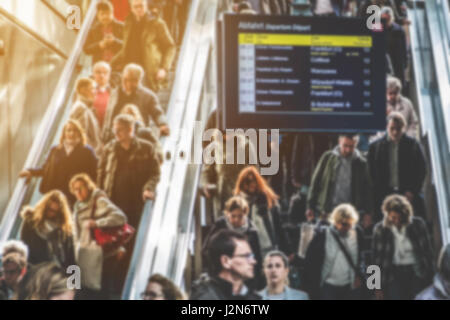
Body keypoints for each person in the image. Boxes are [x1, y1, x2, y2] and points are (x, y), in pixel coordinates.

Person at [98, 114, 161, 228]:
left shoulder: (146, 148)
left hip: (137, 204)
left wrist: (149, 188)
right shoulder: (109, 149)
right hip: (114, 203)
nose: (116, 133)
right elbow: (100, 175)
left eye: (120, 130)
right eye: (115, 129)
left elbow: (155, 173)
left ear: (130, 130)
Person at [70, 173, 127, 299]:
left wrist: (96, 223)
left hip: (103, 254)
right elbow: (76, 234)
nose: (78, 192)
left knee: (101, 292)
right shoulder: (77, 207)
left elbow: (120, 217)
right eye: (75, 189)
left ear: (88, 187)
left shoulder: (99, 200)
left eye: (81, 188)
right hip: (85, 255)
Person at [19, 119, 97, 205]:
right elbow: (46, 169)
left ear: (79, 133)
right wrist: (30, 171)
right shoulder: (55, 149)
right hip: (54, 195)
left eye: (75, 130)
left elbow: (93, 174)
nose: (72, 133)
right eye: (69, 130)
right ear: (64, 133)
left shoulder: (87, 152)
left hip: (73, 196)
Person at [372, 194, 434, 300]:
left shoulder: (418, 225)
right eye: (393, 217)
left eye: (400, 217)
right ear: (387, 215)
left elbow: (428, 253)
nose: (396, 221)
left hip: (417, 272)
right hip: (392, 274)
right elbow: (375, 260)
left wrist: (432, 278)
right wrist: (375, 287)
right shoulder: (380, 229)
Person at [368, 112, 427, 222]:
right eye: (392, 128)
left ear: (403, 128)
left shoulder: (413, 145)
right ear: (387, 127)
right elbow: (371, 173)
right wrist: (378, 191)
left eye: (398, 129)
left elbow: (421, 170)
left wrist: (412, 191)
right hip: (383, 194)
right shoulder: (375, 147)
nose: (395, 132)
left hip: (407, 193)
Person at [303, 204, 366, 300]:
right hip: (329, 285)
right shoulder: (323, 236)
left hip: (350, 285)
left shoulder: (357, 234)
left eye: (350, 224)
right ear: (335, 221)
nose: (347, 227)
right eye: (344, 224)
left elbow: (362, 257)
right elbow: (311, 261)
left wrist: (360, 275)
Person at [111, 0, 176, 92]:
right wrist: (110, 64)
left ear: (146, 6)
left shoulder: (157, 23)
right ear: (131, 8)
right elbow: (126, 48)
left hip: (148, 72)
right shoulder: (128, 22)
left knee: (145, 101)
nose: (139, 9)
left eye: (141, 6)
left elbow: (170, 47)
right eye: (135, 7)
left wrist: (164, 68)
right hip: (129, 70)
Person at [306, 134, 373, 223]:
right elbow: (315, 182)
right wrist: (310, 206)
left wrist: (368, 213)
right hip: (327, 210)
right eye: (345, 146)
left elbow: (367, 189)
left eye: (351, 146)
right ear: (339, 142)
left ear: (356, 144)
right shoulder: (327, 157)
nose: (348, 150)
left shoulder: (361, 163)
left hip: (350, 212)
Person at [202, 196, 263, 287]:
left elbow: (256, 257)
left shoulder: (251, 231)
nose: (236, 220)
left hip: (243, 278)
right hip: (222, 275)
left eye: (240, 216)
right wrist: (216, 270)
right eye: (233, 216)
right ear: (227, 214)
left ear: (245, 214)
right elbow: (206, 249)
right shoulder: (220, 226)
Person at [102, 64, 170, 143]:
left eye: (133, 80)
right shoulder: (115, 93)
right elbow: (108, 116)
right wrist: (104, 135)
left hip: (137, 138)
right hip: (114, 137)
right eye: (126, 80)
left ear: (140, 80)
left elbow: (157, 113)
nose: (128, 84)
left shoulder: (147, 96)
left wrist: (163, 124)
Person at [201, 131, 258, 221]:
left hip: (240, 194)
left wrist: (249, 190)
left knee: (241, 225)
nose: (227, 137)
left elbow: (253, 171)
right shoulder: (213, 147)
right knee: (222, 225)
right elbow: (207, 171)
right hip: (221, 194)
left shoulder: (246, 145)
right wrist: (206, 184)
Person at [234, 166, 289, 258]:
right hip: (248, 248)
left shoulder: (267, 199)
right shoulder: (237, 203)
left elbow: (278, 226)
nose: (251, 184)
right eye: (247, 181)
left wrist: (287, 249)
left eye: (254, 181)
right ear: (242, 184)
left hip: (268, 245)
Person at [190, 229, 261, 300]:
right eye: (246, 256)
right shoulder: (205, 297)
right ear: (226, 261)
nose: (253, 261)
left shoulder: (254, 297)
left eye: (252, 256)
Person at [19, 190, 76, 269]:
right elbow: (23, 246)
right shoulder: (30, 220)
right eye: (49, 209)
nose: (51, 213)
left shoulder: (63, 229)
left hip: (55, 271)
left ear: (60, 212)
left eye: (54, 211)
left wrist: (74, 280)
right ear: (44, 207)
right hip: (33, 268)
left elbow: (70, 258)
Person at [70, 77, 103, 154]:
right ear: (83, 90)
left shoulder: (85, 107)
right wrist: (92, 152)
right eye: (92, 89)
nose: (95, 92)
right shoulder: (81, 108)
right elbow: (81, 135)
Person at [381, 6, 407, 87]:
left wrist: (405, 61)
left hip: (397, 61)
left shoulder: (398, 30)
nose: (386, 21)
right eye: (384, 19)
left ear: (391, 18)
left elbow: (404, 47)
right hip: (383, 62)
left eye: (388, 19)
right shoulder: (377, 28)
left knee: (397, 84)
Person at [92, 61, 114, 129]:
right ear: (93, 74)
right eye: (98, 72)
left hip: (108, 132)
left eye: (105, 73)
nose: (102, 75)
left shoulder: (114, 93)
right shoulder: (85, 92)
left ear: (109, 75)